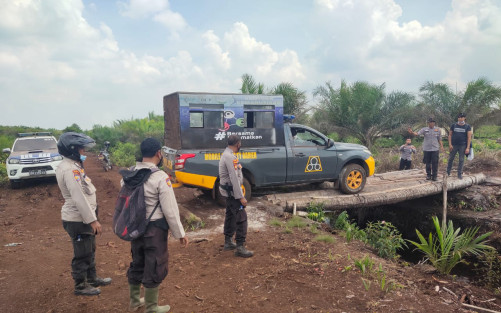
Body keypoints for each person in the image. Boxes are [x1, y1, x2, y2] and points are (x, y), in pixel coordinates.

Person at [126, 138, 188, 313]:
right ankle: (152, 308)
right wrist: (180, 233)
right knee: (154, 264)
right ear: (158, 153)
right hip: (154, 230)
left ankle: (135, 301)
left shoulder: (130, 174)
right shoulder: (160, 177)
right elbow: (170, 210)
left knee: (137, 261)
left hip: (134, 228)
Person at [56, 132, 112, 296]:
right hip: (78, 219)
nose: (84, 152)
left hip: (83, 218)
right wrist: (93, 221)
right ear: (72, 149)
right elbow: (79, 198)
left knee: (90, 248)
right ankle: (80, 285)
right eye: (81, 149)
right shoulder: (69, 170)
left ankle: (92, 278)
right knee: (82, 252)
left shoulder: (74, 166)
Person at [219, 135, 254, 258]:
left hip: (229, 192)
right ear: (238, 144)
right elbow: (234, 178)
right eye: (240, 143)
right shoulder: (229, 157)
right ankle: (240, 246)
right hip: (232, 194)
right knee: (241, 218)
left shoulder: (227, 154)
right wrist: (241, 197)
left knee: (230, 215)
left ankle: (228, 241)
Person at [447, 113, 472, 179]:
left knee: (461, 160)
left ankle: (459, 174)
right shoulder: (454, 125)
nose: (460, 118)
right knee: (450, 158)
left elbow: (469, 137)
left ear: (464, 118)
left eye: (462, 117)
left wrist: (467, 148)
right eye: (459, 117)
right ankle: (448, 172)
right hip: (454, 145)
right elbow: (450, 135)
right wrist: (450, 144)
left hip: (462, 146)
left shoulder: (467, 126)